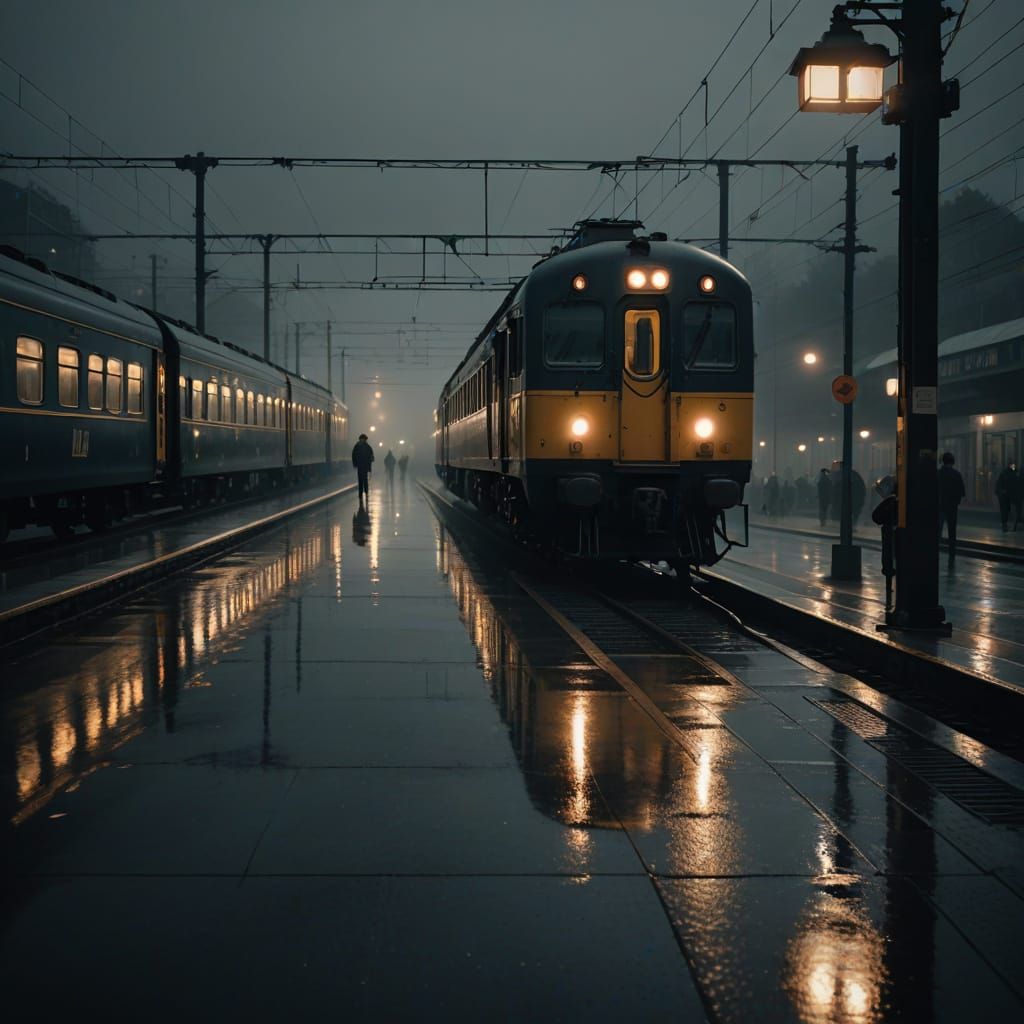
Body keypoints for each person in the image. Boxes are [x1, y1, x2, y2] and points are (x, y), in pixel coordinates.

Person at [938, 451, 966, 562]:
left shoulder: (938, 474)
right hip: (952, 507)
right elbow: (962, 492)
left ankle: (936, 551)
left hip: (940, 507)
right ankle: (952, 552)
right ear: (953, 462)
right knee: (952, 531)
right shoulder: (957, 474)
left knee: (938, 530)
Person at [351, 433, 375, 502]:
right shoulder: (367, 447)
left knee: (363, 480)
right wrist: (355, 463)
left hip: (363, 466)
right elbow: (354, 456)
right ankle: (362, 493)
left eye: (363, 439)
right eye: (363, 439)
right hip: (362, 466)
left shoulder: (358, 446)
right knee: (362, 480)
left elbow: (354, 455)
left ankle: (364, 493)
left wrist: (355, 464)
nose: (363, 440)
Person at [995, 462, 1017, 531]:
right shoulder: (1007, 474)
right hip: (1004, 496)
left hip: (1006, 495)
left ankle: (1006, 524)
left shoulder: (1007, 473)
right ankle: (1005, 524)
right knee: (1005, 510)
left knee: (1006, 510)